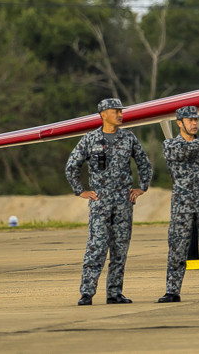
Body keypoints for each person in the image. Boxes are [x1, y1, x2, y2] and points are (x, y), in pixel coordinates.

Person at [65, 98, 153, 306]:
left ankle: (114, 293)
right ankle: (87, 293)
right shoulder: (90, 139)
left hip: (123, 203)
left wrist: (142, 188)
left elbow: (145, 165)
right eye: (116, 111)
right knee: (96, 248)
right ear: (103, 114)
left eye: (121, 111)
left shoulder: (128, 138)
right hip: (100, 203)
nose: (120, 114)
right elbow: (71, 166)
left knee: (120, 250)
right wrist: (81, 191)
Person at [157, 105, 199, 303]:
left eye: (197, 120)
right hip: (182, 206)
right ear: (180, 123)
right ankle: (172, 290)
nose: (195, 123)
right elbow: (181, 153)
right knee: (177, 247)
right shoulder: (170, 145)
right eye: (190, 120)